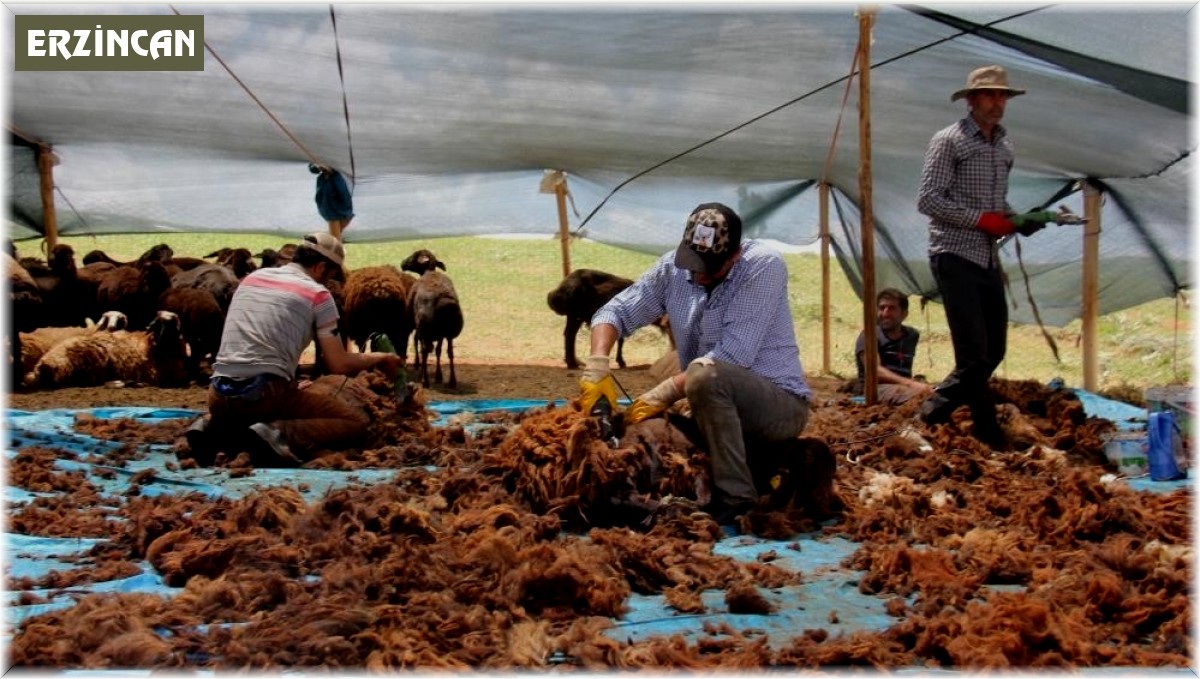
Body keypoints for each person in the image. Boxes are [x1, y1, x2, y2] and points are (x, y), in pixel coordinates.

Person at [579, 202, 812, 522]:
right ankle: (749, 470)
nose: (699, 276)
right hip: (714, 408)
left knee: (704, 377)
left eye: (710, 268)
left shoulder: (763, 267)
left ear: (735, 255)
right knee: (651, 431)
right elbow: (614, 312)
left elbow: (732, 356)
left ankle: (737, 499)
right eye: (693, 265)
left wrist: (661, 394)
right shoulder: (672, 270)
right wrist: (598, 363)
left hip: (776, 407)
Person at [915, 65, 1056, 448]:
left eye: (1003, 96)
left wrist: (1018, 219)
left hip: (986, 258)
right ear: (972, 99)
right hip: (954, 254)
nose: (998, 102)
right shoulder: (950, 141)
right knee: (974, 355)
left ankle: (952, 415)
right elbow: (928, 200)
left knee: (993, 351)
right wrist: (983, 220)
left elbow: (997, 206)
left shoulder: (1004, 147)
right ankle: (965, 421)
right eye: (991, 95)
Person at [185, 232, 403, 465]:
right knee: (355, 423)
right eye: (330, 276)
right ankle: (279, 433)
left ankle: (212, 425)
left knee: (251, 402)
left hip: (218, 395)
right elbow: (338, 364)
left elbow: (256, 340)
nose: (329, 282)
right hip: (266, 396)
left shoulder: (252, 279)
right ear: (320, 267)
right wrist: (380, 357)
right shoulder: (318, 294)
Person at [854, 288, 931, 405]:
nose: (885, 313)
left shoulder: (911, 335)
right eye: (882, 308)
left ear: (904, 314)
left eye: (891, 308)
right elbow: (875, 371)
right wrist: (910, 384)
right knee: (920, 397)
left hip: (903, 387)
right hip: (875, 388)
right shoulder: (869, 335)